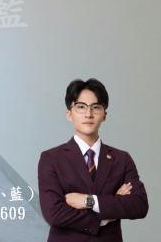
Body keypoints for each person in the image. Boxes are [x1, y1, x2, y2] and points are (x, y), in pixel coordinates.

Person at [38, 78, 148, 241]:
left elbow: (139, 205)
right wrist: (108, 212)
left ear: (104, 115)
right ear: (69, 114)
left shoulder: (121, 159)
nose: (88, 114)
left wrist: (89, 201)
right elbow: (53, 213)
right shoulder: (51, 158)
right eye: (81, 107)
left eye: (96, 107)